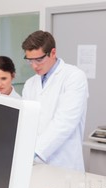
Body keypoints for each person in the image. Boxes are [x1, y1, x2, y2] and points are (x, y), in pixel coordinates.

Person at [21, 30, 89, 172]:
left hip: (64, 164)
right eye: (30, 60)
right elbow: (26, 121)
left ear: (52, 53)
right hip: (34, 165)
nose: (34, 66)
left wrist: (35, 152)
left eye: (39, 60)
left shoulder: (74, 77)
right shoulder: (30, 84)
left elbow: (65, 122)